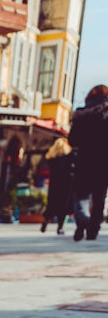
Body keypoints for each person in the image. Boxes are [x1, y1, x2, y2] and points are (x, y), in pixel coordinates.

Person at [69, 84, 108, 241]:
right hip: (104, 161)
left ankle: (82, 220)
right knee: (99, 198)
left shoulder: (81, 114)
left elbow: (72, 140)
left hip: (84, 160)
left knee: (81, 194)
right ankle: (93, 230)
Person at [40, 138, 73, 234]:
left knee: (51, 204)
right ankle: (60, 227)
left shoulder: (51, 158)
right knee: (63, 206)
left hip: (54, 184)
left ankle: (45, 221)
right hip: (66, 184)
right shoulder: (68, 157)